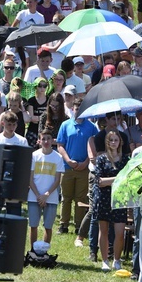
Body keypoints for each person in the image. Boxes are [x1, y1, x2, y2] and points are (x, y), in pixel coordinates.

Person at [56, 98, 97, 241]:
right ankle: (63, 224)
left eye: (81, 107)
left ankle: (79, 225)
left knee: (81, 198)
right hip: (68, 166)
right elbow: (60, 145)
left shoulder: (91, 127)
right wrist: (67, 160)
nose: (78, 110)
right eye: (76, 107)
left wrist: (86, 162)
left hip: (84, 168)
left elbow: (94, 147)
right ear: (72, 108)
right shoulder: (65, 125)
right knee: (66, 197)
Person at [92, 130, 129, 271]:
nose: (114, 142)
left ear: (120, 142)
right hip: (103, 198)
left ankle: (117, 260)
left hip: (120, 198)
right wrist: (118, 179)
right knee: (104, 230)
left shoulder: (126, 160)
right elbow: (99, 181)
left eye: (116, 140)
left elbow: (128, 180)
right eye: (111, 140)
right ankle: (105, 260)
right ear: (107, 142)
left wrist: (111, 181)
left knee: (120, 232)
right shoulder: (101, 159)